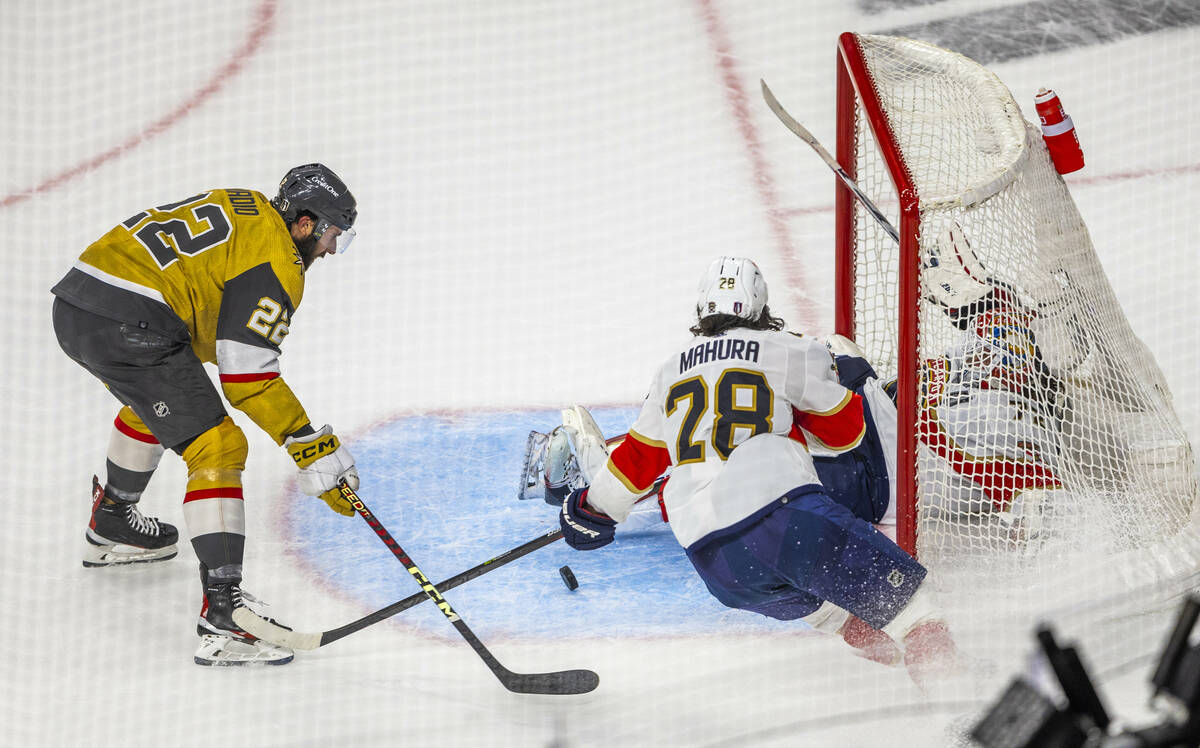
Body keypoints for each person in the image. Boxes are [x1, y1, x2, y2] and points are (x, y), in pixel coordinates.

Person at [554, 256, 960, 684]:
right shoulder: (787, 349)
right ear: (761, 308)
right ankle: (956, 695)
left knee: (830, 610)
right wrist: (842, 386)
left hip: (715, 563)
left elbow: (637, 460)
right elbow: (846, 434)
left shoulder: (668, 371)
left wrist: (591, 508)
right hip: (786, 520)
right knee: (915, 610)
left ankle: (872, 639)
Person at [51, 164, 362, 666]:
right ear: (304, 223)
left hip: (79, 304)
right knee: (219, 445)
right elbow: (248, 376)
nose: (329, 250)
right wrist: (309, 444)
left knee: (165, 400)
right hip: (130, 321)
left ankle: (111, 523)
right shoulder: (277, 261)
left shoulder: (246, 205)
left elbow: (208, 321)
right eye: (331, 235)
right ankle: (225, 617)